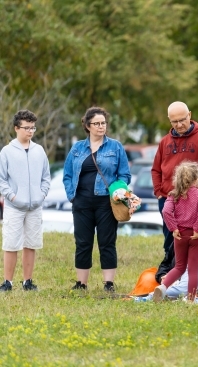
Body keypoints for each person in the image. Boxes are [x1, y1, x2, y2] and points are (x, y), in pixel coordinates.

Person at [63, 107, 131, 292]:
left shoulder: (115, 147)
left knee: (107, 242)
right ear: (87, 125)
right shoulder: (77, 148)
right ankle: (81, 284)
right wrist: (72, 196)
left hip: (106, 203)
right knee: (83, 242)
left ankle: (108, 284)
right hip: (82, 202)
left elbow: (124, 174)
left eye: (103, 123)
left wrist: (118, 191)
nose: (101, 127)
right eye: (97, 123)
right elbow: (68, 174)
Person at [152, 101, 198, 254]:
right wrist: (159, 192)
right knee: (170, 238)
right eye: (175, 121)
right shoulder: (164, 142)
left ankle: (190, 272)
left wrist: (196, 195)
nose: (179, 124)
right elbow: (156, 169)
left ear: (190, 115)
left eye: (182, 119)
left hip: (192, 200)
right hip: (168, 199)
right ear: (169, 120)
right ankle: (169, 269)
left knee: (192, 238)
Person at [0, 110, 50, 292]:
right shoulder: (6, 152)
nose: (30, 131)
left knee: (31, 243)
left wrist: (41, 195)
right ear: (16, 128)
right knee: (11, 243)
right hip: (14, 207)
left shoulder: (39, 151)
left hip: (35, 206)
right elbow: (1, 179)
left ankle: (27, 281)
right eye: (26, 128)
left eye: (32, 128)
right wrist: (12, 196)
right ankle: (8, 282)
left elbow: (46, 177)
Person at [153, 161, 198, 302]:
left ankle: (163, 287)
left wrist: (174, 228)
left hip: (180, 235)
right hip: (197, 236)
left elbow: (166, 211)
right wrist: (197, 229)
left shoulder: (173, 195)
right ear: (197, 179)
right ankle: (190, 299)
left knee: (179, 266)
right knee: (193, 269)